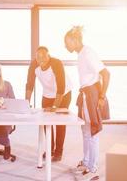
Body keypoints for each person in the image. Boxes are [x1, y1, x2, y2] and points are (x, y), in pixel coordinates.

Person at [64, 26, 110, 181]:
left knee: (93, 132)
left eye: (67, 42)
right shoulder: (81, 54)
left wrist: (102, 96)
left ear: (75, 40)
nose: (66, 46)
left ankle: (93, 168)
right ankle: (86, 162)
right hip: (85, 94)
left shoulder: (88, 53)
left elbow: (106, 73)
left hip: (91, 95)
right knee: (85, 130)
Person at [25, 46, 72, 162]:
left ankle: (58, 152)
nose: (41, 60)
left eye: (43, 57)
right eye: (38, 57)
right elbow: (30, 84)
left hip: (64, 93)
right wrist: (26, 103)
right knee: (46, 122)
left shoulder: (56, 63)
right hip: (47, 94)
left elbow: (60, 87)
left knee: (60, 123)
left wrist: (55, 107)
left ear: (48, 56)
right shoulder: (34, 65)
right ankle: (50, 149)